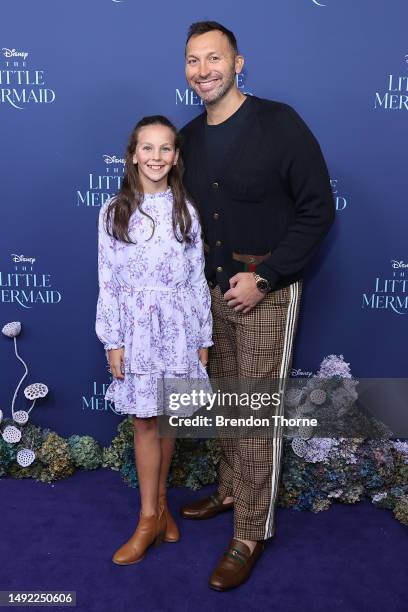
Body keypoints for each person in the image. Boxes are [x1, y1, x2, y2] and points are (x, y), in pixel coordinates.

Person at [179, 21, 335, 590]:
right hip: (213, 295)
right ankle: (229, 491)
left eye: (214, 58)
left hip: (266, 294)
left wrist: (265, 276)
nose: (204, 70)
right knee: (225, 403)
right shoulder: (188, 138)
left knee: (254, 414)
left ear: (238, 63)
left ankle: (250, 531)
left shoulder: (279, 123)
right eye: (194, 61)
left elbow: (318, 209)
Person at [95, 115, 213, 565]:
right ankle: (147, 519)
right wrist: (113, 340)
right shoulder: (114, 211)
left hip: (180, 330)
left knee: (166, 421)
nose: (156, 157)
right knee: (145, 421)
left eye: (166, 149)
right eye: (148, 148)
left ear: (177, 157)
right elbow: (108, 281)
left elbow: (197, 280)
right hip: (136, 331)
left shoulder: (187, 211)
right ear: (133, 155)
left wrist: (202, 334)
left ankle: (162, 505)